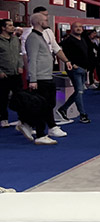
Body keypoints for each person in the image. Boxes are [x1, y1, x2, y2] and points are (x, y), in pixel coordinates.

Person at [25, 11, 73, 142]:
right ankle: (40, 134)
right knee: (41, 105)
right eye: (45, 20)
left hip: (47, 76)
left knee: (48, 104)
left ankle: (49, 127)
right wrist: (33, 79)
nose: (47, 22)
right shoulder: (33, 38)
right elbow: (32, 59)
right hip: (40, 78)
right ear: (40, 22)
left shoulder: (41, 37)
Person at [58, 21, 93, 123]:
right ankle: (82, 114)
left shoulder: (83, 39)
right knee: (79, 91)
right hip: (75, 69)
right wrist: (72, 63)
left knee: (79, 91)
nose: (78, 28)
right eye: (76, 27)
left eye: (80, 27)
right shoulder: (68, 41)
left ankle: (64, 108)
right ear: (71, 28)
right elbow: (63, 53)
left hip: (83, 68)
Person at [0, 19, 23, 127]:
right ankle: (3, 118)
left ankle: (22, 119)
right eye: (9, 25)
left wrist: (20, 65)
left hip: (16, 73)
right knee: (3, 98)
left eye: (12, 25)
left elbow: (19, 54)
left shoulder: (15, 39)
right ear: (3, 28)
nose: (12, 27)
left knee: (20, 97)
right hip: (4, 74)